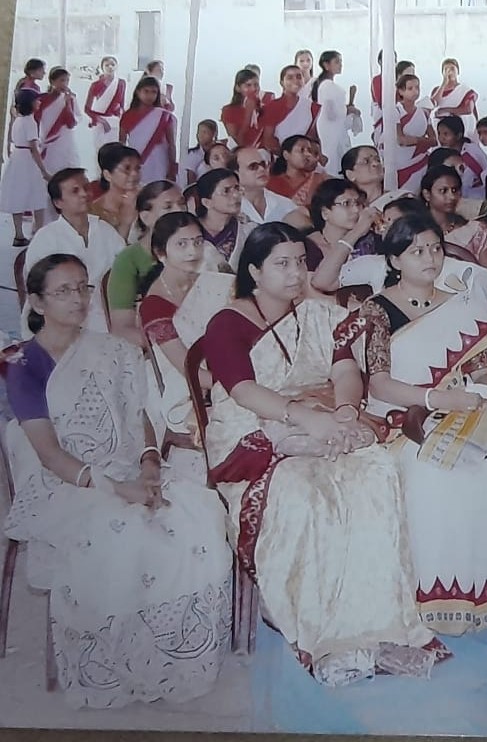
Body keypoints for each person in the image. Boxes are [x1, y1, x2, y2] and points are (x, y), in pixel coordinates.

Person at [202, 221, 441, 685]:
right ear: (254, 271)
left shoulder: (316, 315)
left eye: (300, 262)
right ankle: (320, 624)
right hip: (254, 430)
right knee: (304, 491)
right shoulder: (227, 322)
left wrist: (347, 411)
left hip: (324, 417)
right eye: (282, 264)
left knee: (374, 470)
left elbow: (346, 371)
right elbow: (243, 390)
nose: (296, 273)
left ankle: (378, 621)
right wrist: (303, 418)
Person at [3, 253, 231, 708]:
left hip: (128, 466)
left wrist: (148, 462)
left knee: (198, 516)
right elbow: (49, 454)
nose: (77, 299)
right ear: (37, 302)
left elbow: (137, 416)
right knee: (121, 531)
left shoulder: (112, 350)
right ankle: (116, 667)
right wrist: (117, 489)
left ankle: (171, 659)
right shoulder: (23, 364)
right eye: (63, 291)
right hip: (66, 482)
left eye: (82, 288)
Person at [356, 212, 487, 633]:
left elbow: (485, 369)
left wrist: (478, 395)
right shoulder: (378, 310)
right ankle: (450, 599)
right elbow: (379, 384)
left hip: (463, 410)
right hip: (405, 418)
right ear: (395, 260)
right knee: (436, 473)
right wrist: (437, 399)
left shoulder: (461, 304)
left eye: (435, 249)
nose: (430, 258)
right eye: (417, 251)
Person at [138, 212, 234, 443]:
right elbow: (187, 369)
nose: (192, 251)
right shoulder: (154, 305)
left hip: (229, 373)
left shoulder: (211, 284)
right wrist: (237, 384)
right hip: (188, 390)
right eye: (181, 244)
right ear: (161, 253)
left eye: (198, 242)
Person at [22, 168, 126, 337]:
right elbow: (39, 288)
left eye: (86, 187)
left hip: (106, 313)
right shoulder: (46, 238)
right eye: (75, 191)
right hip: (59, 320)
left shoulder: (104, 229)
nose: (84, 194)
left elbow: (125, 266)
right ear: (58, 202)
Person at [106, 180, 187, 346]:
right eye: (168, 207)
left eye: (181, 204)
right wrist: (170, 343)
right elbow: (122, 329)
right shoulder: (128, 260)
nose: (179, 211)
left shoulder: (200, 250)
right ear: (145, 217)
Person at [422, 165, 487, 269]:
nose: (452, 196)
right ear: (427, 194)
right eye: (443, 191)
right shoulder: (416, 233)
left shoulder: (476, 232)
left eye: (454, 190)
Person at [0, 89, 50, 247]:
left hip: (17, 159)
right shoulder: (30, 121)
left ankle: (19, 234)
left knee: (18, 195)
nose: (39, 102)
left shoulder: (18, 120)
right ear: (30, 103)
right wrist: (44, 171)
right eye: (37, 100)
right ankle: (40, 232)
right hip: (28, 160)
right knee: (38, 195)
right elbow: (34, 148)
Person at [119, 76, 177, 184]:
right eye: (146, 91)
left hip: (159, 161)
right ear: (138, 92)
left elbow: (171, 144)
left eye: (154, 92)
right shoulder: (128, 115)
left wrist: (172, 167)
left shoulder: (164, 116)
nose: (150, 96)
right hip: (136, 161)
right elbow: (122, 142)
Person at [313, 51, 359, 175]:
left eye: (341, 62)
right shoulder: (327, 85)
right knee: (333, 156)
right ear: (326, 65)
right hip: (330, 128)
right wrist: (347, 110)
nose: (340, 65)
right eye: (337, 62)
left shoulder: (329, 85)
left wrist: (346, 108)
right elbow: (330, 113)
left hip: (333, 126)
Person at [260, 64, 320, 154]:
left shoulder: (312, 107)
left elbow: (312, 137)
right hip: (279, 156)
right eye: (290, 78)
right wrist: (287, 156)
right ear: (282, 82)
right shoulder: (272, 107)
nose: (295, 81)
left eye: (299, 77)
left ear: (303, 80)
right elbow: (268, 139)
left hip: (304, 155)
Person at [89, 143, 143, 241]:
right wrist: (126, 221)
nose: (134, 174)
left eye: (137, 168)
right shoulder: (93, 212)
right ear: (107, 175)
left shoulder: (148, 200)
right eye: (127, 169)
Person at [394, 74, 437, 192]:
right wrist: (423, 141)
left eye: (417, 87)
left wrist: (414, 140)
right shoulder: (396, 111)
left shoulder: (424, 113)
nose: (415, 91)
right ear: (401, 91)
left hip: (421, 161)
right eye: (410, 88)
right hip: (402, 163)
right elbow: (401, 140)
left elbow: (434, 140)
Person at [232, 146, 297, 224]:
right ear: (236, 173)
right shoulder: (228, 209)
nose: (262, 169)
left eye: (263, 164)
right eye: (253, 166)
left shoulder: (286, 205)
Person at [36, 67, 80, 177]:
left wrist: (67, 103)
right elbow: (36, 120)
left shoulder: (71, 98)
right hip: (47, 139)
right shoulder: (42, 99)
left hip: (65, 140)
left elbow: (71, 123)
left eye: (67, 80)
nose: (65, 84)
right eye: (62, 80)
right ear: (52, 81)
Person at [436, 114, 487, 200]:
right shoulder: (441, 153)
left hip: (477, 197)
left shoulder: (471, 152)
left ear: (458, 135)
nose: (441, 138)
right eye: (439, 133)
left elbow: (483, 177)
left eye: (446, 134)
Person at [267, 135, 327, 208]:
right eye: (302, 150)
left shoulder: (319, 179)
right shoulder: (272, 183)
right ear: (286, 155)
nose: (308, 154)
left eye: (309, 151)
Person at [83, 56, 126, 151]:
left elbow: (122, 105)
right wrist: (102, 121)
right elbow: (87, 109)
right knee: (100, 151)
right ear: (102, 67)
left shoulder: (121, 83)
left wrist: (122, 120)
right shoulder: (95, 85)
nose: (110, 67)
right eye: (107, 65)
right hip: (100, 123)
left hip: (115, 122)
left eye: (112, 64)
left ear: (116, 66)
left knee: (115, 152)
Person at [430, 58, 478, 133]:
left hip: (460, 127)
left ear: (458, 71)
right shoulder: (436, 90)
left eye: (452, 68)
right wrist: (444, 82)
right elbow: (433, 103)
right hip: (439, 127)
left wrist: (446, 110)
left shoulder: (465, 90)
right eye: (446, 69)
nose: (450, 71)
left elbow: (468, 110)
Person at [220, 69, 263, 149]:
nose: (253, 89)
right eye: (248, 85)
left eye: (256, 85)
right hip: (242, 153)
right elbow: (237, 142)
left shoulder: (265, 108)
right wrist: (248, 113)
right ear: (238, 88)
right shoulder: (229, 111)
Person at [180, 120, 219, 188]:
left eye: (204, 132)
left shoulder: (220, 151)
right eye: (199, 132)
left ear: (214, 134)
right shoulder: (193, 154)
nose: (200, 135)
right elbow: (190, 178)